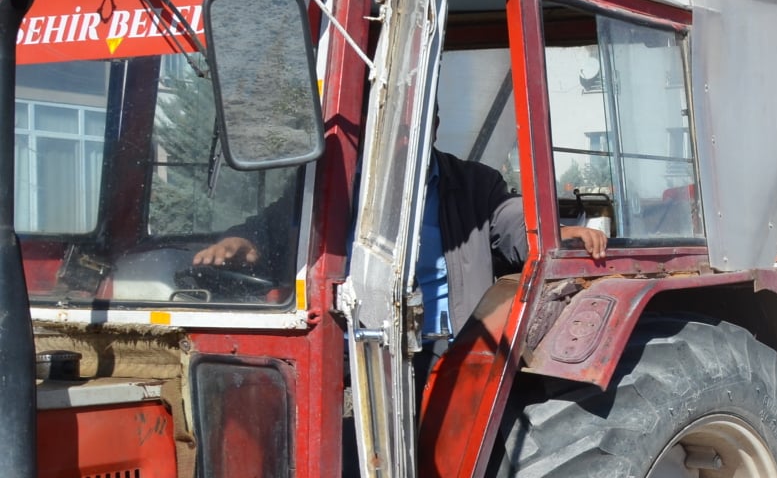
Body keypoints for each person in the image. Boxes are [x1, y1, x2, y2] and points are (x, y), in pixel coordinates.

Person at [196, 148, 608, 350]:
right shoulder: (336, 184)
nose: (404, 138)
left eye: (416, 124)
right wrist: (243, 240)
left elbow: (512, 221)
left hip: (450, 347)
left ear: (433, 124)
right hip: (359, 349)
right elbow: (275, 224)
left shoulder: (473, 183)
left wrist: (558, 232)